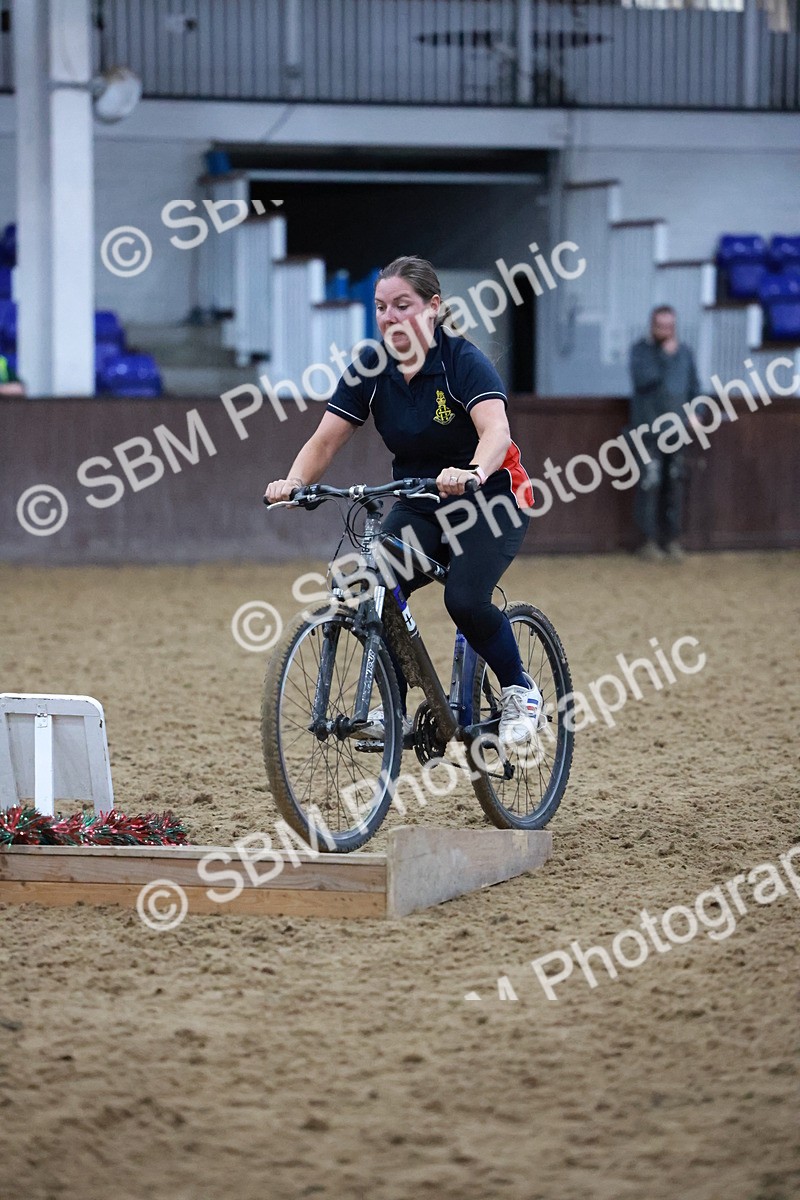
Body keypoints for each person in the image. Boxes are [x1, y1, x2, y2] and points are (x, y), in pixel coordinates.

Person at [265, 254, 543, 747]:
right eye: (381, 307)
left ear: (433, 306)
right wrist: (294, 482)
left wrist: (473, 471)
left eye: (402, 305)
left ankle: (520, 691)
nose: (389, 317)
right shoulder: (370, 369)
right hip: (420, 500)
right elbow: (324, 442)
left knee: (464, 599)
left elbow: (496, 432)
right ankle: (393, 706)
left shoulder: (462, 362)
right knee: (369, 583)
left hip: (492, 497)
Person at [628, 305, 700, 562]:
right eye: (661, 326)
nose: (666, 331)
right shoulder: (641, 352)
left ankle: (672, 540)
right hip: (647, 431)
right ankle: (648, 541)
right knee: (650, 483)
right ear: (652, 326)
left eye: (670, 326)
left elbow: (694, 386)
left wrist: (696, 411)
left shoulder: (685, 353)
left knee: (674, 484)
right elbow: (644, 380)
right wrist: (666, 358)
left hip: (676, 431)